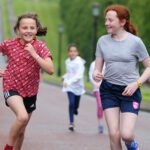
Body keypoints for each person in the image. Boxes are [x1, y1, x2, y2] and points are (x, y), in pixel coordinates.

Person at [93, 4, 150, 150]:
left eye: (110, 20)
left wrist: (136, 83)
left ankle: (132, 145)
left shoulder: (135, 42)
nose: (106, 23)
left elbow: (149, 66)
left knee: (126, 134)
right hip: (109, 90)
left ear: (122, 22)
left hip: (129, 92)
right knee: (113, 134)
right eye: (106, 20)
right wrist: (96, 73)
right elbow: (97, 68)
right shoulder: (102, 41)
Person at [0, 13, 54, 150]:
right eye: (24, 28)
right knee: (22, 117)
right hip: (11, 86)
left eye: (31, 27)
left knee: (22, 130)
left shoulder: (41, 47)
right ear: (18, 30)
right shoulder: (10, 44)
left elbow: (50, 69)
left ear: (36, 30)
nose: (28, 31)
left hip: (30, 91)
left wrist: (34, 54)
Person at [62, 44, 85, 131]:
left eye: (74, 51)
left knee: (76, 105)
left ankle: (75, 108)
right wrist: (64, 78)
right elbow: (69, 73)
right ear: (68, 53)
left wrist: (69, 81)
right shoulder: (67, 61)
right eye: (71, 51)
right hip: (69, 86)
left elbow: (79, 75)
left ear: (77, 52)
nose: (72, 53)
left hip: (78, 86)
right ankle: (71, 123)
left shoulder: (80, 62)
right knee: (71, 103)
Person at [89, 60, 105, 133]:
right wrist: (96, 84)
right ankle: (100, 124)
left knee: (108, 108)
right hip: (97, 88)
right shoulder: (93, 64)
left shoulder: (108, 63)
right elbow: (90, 76)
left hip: (107, 89)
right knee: (100, 106)